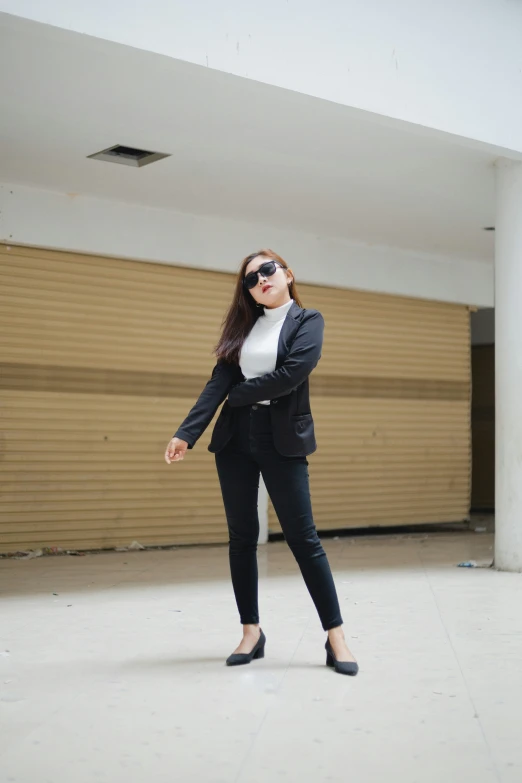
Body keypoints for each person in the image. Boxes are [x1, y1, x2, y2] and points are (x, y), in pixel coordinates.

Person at [164, 250, 358, 676]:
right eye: (251, 279)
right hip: (235, 439)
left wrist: (240, 394)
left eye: (267, 270)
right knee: (241, 537)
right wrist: (186, 433)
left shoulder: (308, 321)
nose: (261, 280)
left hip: (281, 439)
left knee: (303, 539)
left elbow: (293, 372)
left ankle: (336, 636)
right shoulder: (244, 329)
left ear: (287, 273)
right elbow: (219, 382)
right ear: (248, 293)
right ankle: (251, 632)